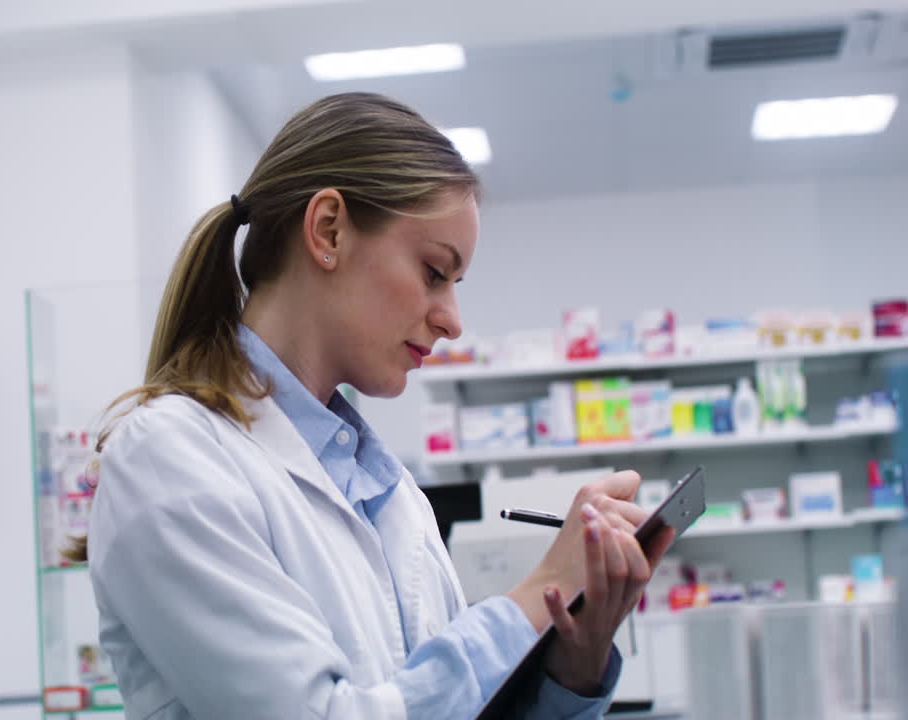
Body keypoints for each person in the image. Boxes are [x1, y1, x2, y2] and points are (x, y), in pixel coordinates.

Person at [79, 92, 675, 719]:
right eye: (433, 272)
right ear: (329, 229)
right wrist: (537, 594)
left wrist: (571, 666)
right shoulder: (168, 459)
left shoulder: (388, 492)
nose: (451, 322)